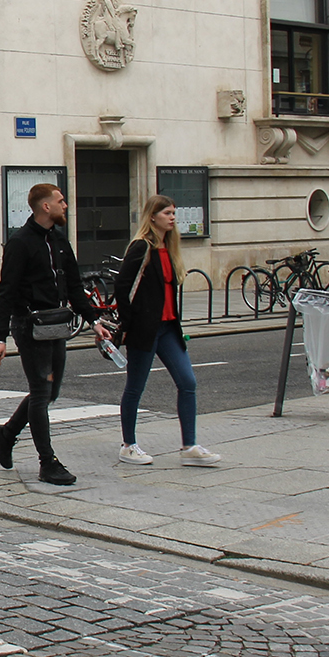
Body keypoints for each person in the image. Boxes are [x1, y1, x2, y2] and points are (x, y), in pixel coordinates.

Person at [0, 183, 106, 485]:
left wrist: (94, 321)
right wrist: (0, 337)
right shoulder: (21, 242)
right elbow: (7, 290)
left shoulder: (59, 240)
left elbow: (75, 286)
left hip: (56, 324)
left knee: (50, 392)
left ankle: (6, 433)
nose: (65, 205)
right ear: (45, 206)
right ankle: (47, 463)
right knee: (41, 393)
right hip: (29, 325)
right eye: (61, 201)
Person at [115, 195, 221, 466]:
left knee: (188, 382)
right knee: (135, 388)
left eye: (174, 213)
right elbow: (122, 288)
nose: (172, 217)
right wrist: (129, 325)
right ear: (153, 217)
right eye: (167, 213)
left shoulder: (169, 248)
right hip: (145, 330)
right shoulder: (141, 247)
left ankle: (189, 446)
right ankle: (128, 445)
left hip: (169, 328)